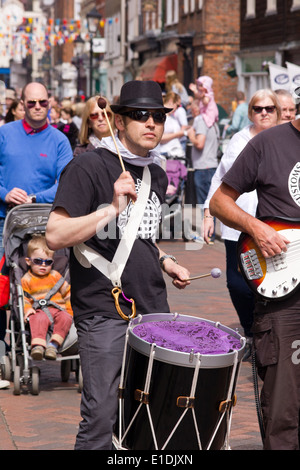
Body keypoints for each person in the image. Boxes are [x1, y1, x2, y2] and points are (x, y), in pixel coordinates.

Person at [46, 80, 191, 450]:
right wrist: (110, 208)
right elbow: (55, 235)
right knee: (101, 417)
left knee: (148, 414)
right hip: (104, 308)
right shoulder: (88, 167)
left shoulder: (155, 172)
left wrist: (166, 260)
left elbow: (137, 236)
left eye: (158, 116)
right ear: (118, 119)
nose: (151, 123)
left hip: (153, 306)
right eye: (140, 115)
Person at [209, 99, 300, 450]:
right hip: (283, 295)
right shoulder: (268, 143)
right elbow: (220, 201)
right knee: (284, 405)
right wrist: (256, 228)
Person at [203, 89, 281, 356]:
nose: (264, 113)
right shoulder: (239, 140)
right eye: (258, 109)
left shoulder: (285, 140)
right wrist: (207, 213)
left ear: (278, 112)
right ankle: (250, 332)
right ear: (250, 112)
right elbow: (220, 178)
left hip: (274, 227)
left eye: (269, 108)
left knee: (269, 283)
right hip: (237, 224)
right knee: (237, 284)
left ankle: (265, 337)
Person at [0, 82, 73, 356]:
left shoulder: (59, 140)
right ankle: (2, 347)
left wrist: (36, 197)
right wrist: (7, 193)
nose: (38, 107)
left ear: (50, 103)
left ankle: (51, 335)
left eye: (43, 102)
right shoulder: (4, 134)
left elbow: (66, 181)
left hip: (46, 222)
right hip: (5, 222)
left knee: (52, 279)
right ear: (22, 104)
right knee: (2, 289)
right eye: (32, 103)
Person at [21, 235, 73, 361]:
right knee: (37, 318)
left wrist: (69, 311)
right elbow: (24, 298)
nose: (43, 265)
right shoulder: (27, 279)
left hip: (58, 309)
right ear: (28, 261)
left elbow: (67, 293)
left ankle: (53, 345)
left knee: (66, 318)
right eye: (38, 261)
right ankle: (38, 346)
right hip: (39, 310)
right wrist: (27, 309)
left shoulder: (55, 276)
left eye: (48, 262)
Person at [186, 91, 219, 242]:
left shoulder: (200, 120)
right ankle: (209, 234)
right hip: (211, 165)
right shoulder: (213, 121)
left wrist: (190, 134)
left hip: (203, 167)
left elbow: (199, 144)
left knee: (203, 204)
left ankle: (205, 235)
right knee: (210, 203)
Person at [158, 92, 187, 159]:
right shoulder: (161, 116)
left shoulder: (172, 117)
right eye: (177, 105)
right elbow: (160, 138)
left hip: (176, 154)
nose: (177, 108)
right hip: (165, 154)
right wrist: (177, 134)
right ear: (171, 101)